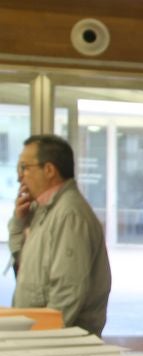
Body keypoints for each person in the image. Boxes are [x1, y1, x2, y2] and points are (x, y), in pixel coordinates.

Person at [7, 134, 110, 335]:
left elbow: (67, 290)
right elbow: (22, 265)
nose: (20, 176)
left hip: (57, 346)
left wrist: (41, 339)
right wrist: (19, 224)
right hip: (37, 337)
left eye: (25, 167)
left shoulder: (69, 215)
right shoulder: (43, 211)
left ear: (49, 170)